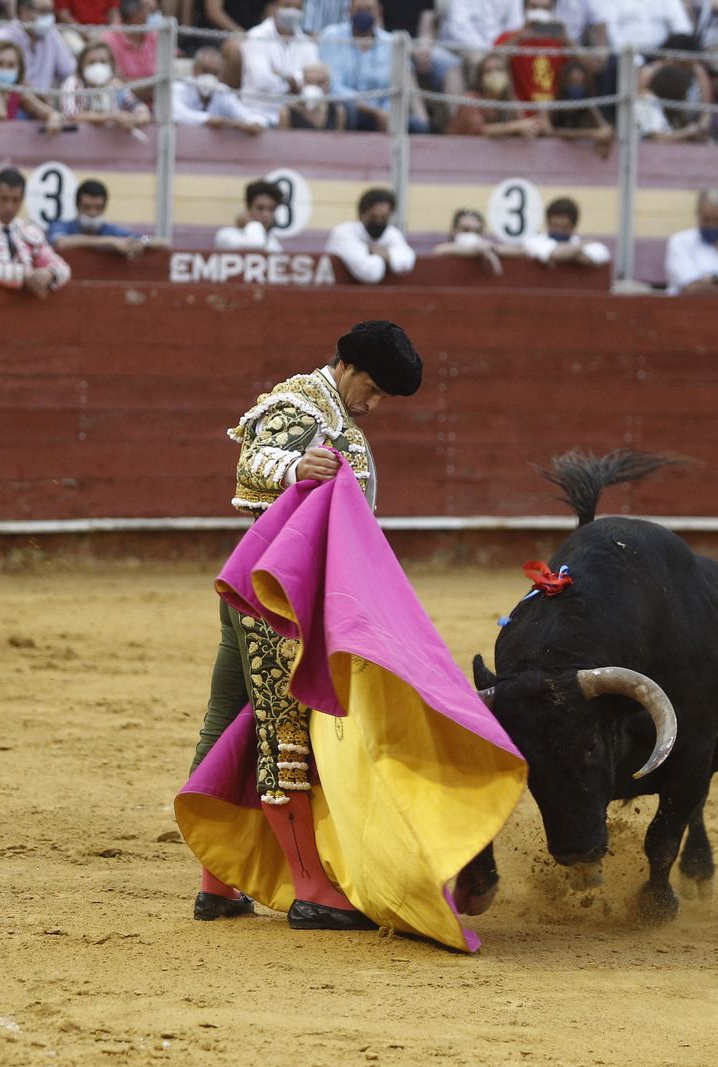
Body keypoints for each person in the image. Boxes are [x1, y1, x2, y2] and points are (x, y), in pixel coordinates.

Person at [188, 319, 423, 927]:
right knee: (286, 738)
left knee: (235, 724)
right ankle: (313, 890)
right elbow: (252, 462)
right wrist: (295, 469)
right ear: (344, 364)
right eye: (370, 388)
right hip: (280, 599)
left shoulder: (334, 412)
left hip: (262, 588)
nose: (373, 404)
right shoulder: (300, 404)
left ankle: (220, 879)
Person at [0, 168, 72, 298]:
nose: (9, 207)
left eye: (15, 200)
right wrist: (24, 275)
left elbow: (62, 267)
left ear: (22, 200)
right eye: (4, 199)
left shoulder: (29, 231)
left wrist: (50, 274)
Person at [318, 0, 424, 133]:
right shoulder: (332, 36)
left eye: (368, 10)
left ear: (378, 12)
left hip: (383, 114)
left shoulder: (390, 42)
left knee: (418, 127)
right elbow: (333, 87)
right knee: (347, 111)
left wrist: (386, 113)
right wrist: (373, 111)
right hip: (349, 111)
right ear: (349, 11)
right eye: (358, 10)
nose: (363, 14)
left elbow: (396, 87)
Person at [240, 0, 321, 126]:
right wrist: (294, 82)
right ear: (273, 8)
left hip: (296, 115)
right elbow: (262, 81)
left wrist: (281, 75)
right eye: (287, 6)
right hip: (258, 114)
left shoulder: (308, 43)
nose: (292, 12)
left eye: (297, 8)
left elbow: (313, 81)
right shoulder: (256, 36)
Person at [47, 179, 168, 258]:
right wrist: (110, 241)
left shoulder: (110, 230)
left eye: (98, 207)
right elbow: (61, 242)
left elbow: (163, 242)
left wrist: (143, 242)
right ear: (77, 206)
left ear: (105, 207)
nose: (93, 213)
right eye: (87, 207)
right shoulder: (61, 225)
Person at [326, 187, 415, 285]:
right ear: (361, 214)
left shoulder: (391, 232)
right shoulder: (344, 233)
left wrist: (385, 254)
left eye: (384, 218)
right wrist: (386, 256)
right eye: (373, 217)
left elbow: (408, 259)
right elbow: (370, 272)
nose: (379, 222)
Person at [0, 0, 77, 93]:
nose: (50, 17)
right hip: (11, 101)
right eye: (43, 11)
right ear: (24, 12)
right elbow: (12, 87)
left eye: (51, 11)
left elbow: (69, 71)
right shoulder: (4, 37)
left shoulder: (51, 34)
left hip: (43, 101)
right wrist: (45, 105)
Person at [172, 46, 268, 132]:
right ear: (195, 69)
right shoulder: (179, 88)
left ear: (221, 75)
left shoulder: (223, 91)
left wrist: (256, 123)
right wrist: (217, 121)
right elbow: (178, 114)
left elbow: (248, 116)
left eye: (215, 73)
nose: (209, 76)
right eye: (205, 70)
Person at [60, 41, 152, 130]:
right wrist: (109, 117)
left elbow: (140, 109)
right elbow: (70, 115)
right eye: (91, 62)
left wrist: (134, 120)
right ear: (82, 66)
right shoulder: (73, 83)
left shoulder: (115, 85)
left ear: (111, 65)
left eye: (103, 62)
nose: (98, 66)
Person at [446, 53, 539, 139]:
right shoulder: (470, 100)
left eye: (499, 70)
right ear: (480, 78)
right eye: (488, 71)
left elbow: (524, 125)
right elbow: (479, 131)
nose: (494, 75)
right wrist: (515, 127)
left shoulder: (510, 101)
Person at [511, 196, 610, 268]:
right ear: (548, 224)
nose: (559, 231)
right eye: (555, 226)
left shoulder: (593, 247)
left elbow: (590, 259)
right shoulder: (535, 241)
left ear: (573, 227)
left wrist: (568, 253)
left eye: (564, 227)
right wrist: (581, 247)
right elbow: (556, 255)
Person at [104, 0, 162, 103]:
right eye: (150, 11)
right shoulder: (108, 40)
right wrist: (153, 85)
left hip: (159, 103)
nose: (152, 16)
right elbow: (118, 85)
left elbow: (164, 76)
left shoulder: (153, 36)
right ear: (135, 14)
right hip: (125, 108)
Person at [215, 179, 284, 251]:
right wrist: (252, 223)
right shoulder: (226, 236)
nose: (265, 215)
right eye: (260, 208)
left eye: (271, 209)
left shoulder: (274, 243)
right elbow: (256, 245)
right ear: (248, 207)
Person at [430, 208, 503, 277]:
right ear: (454, 231)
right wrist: (475, 250)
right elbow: (439, 250)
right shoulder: (445, 249)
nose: (471, 235)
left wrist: (491, 248)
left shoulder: (489, 247)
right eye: (465, 230)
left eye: (477, 231)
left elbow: (513, 251)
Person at [279, 61, 344, 130]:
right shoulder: (287, 113)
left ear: (328, 84)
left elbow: (339, 139)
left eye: (320, 83)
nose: (314, 87)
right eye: (308, 82)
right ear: (302, 83)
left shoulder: (338, 111)